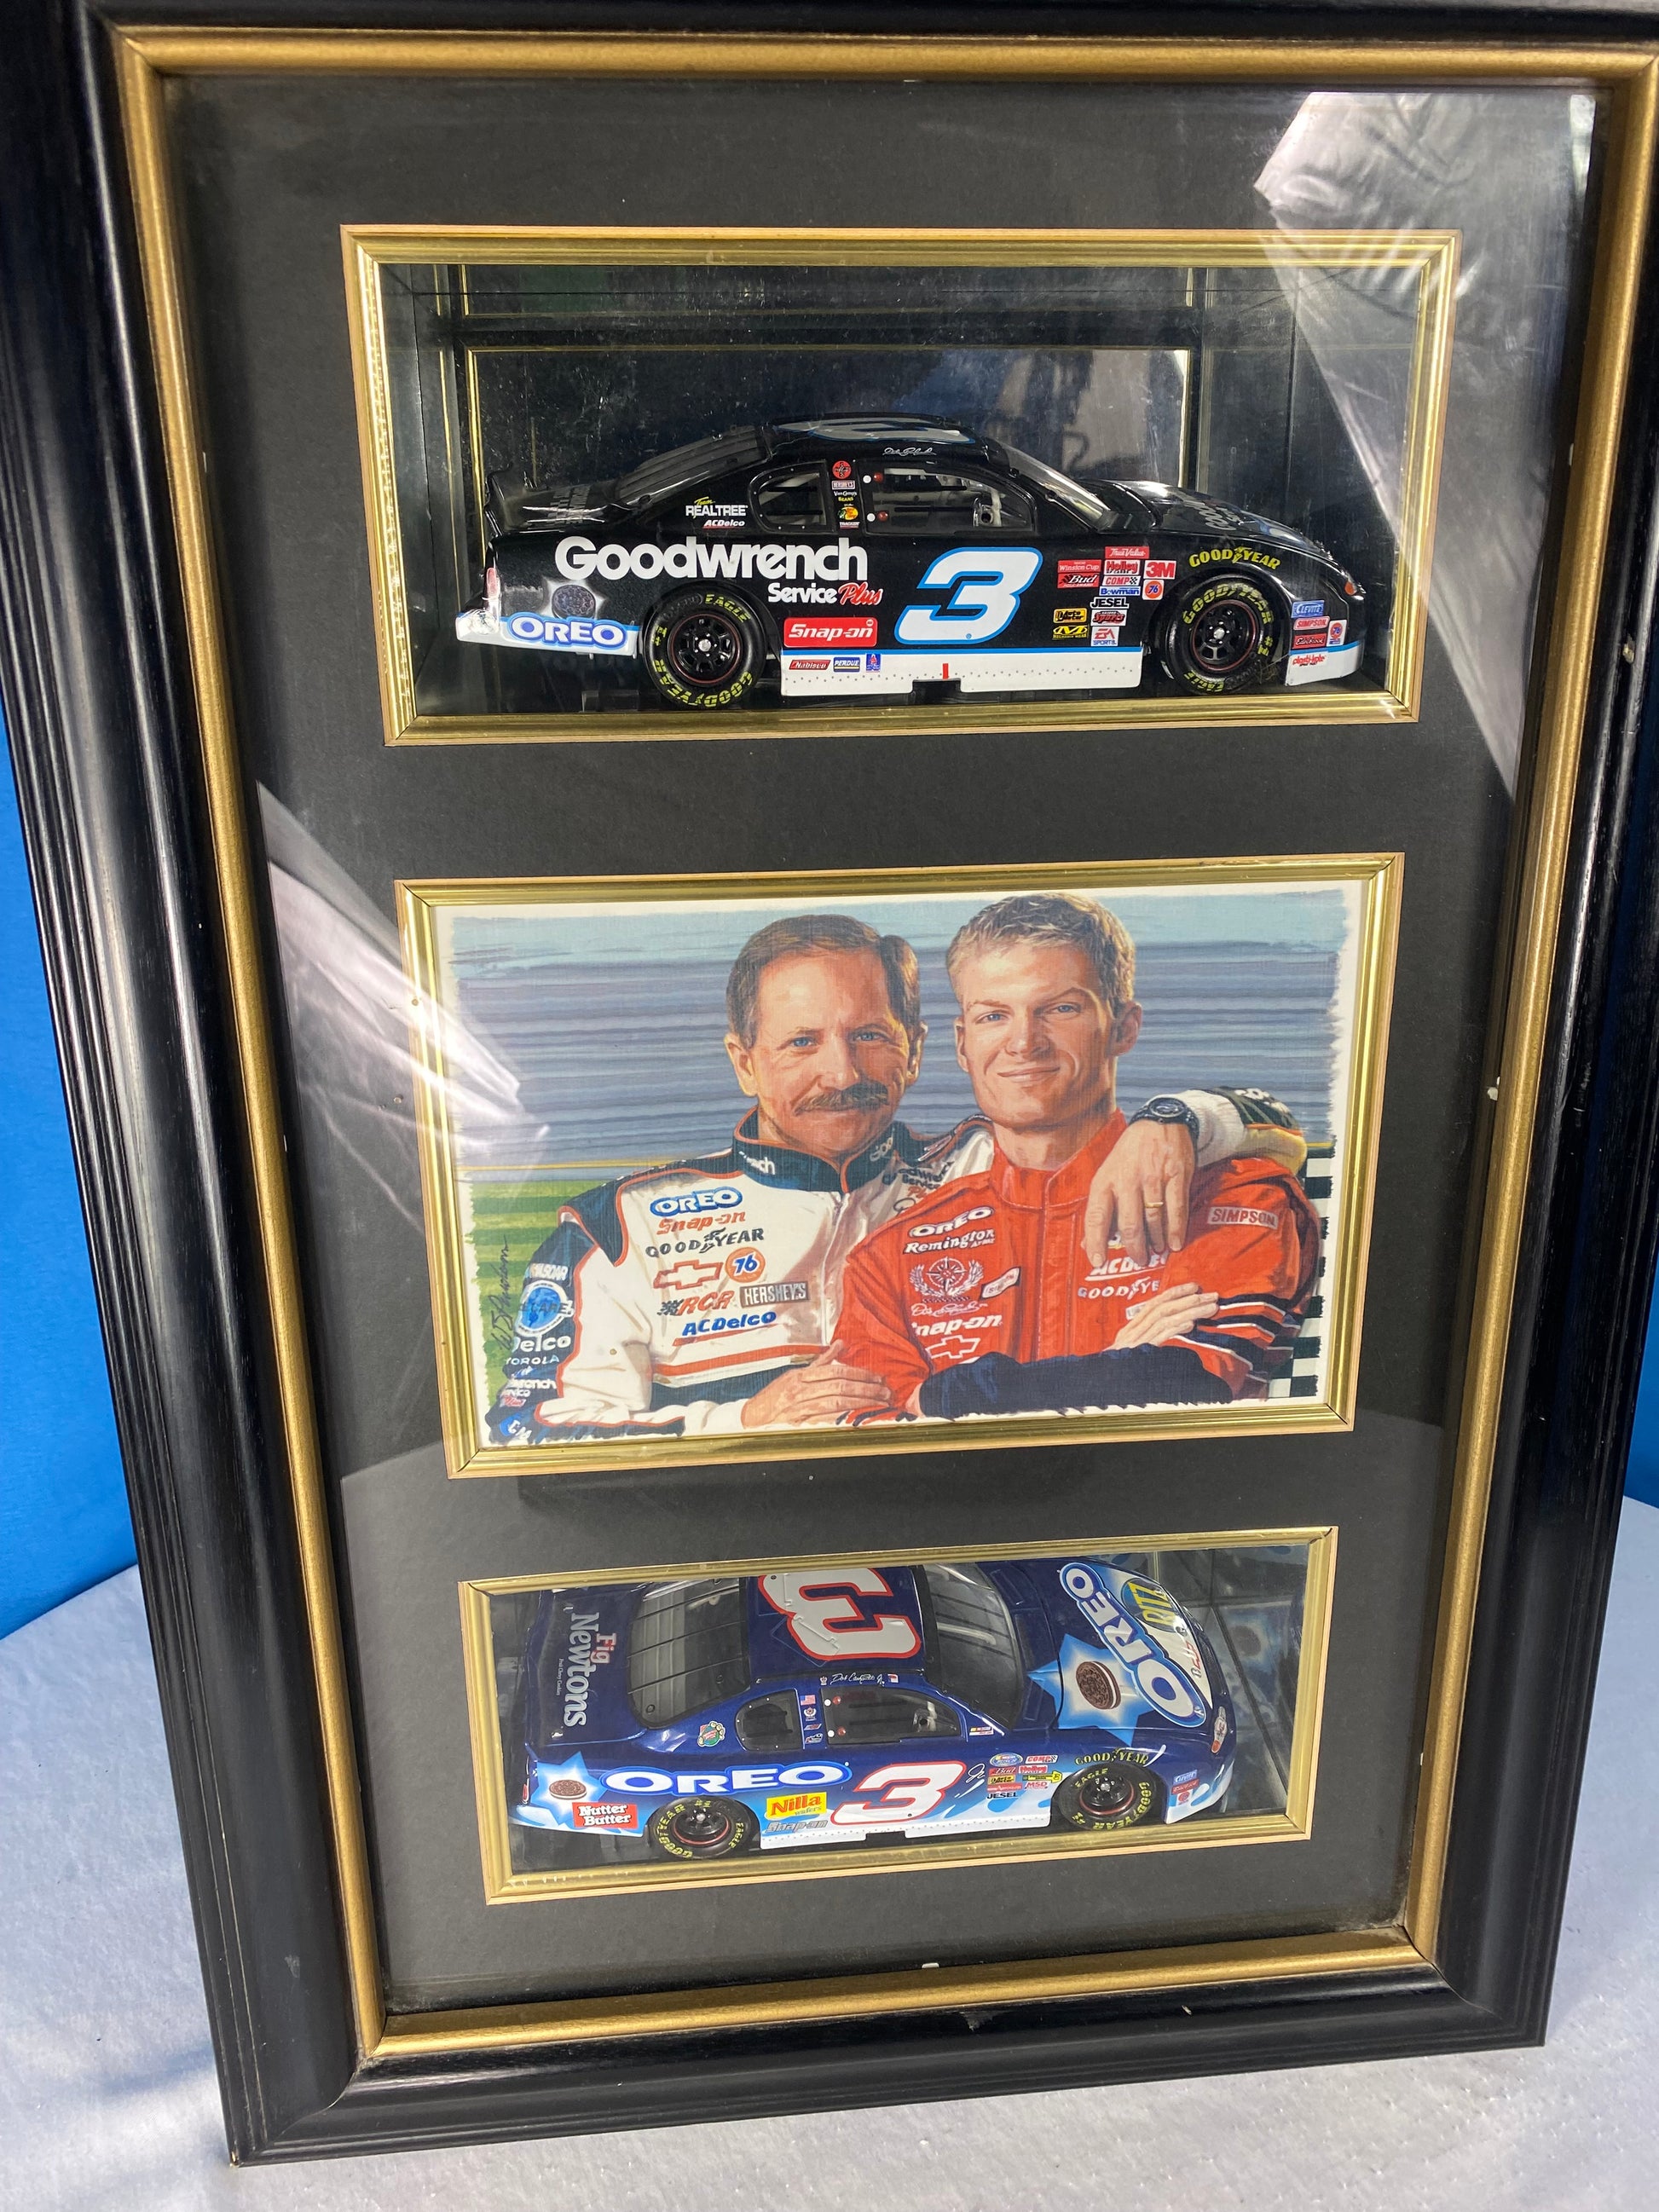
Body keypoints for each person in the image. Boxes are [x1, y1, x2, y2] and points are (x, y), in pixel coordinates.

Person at [487, 911, 1306, 1442]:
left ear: (916, 1048)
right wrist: (742, 1417)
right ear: (743, 1060)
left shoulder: (990, 1154)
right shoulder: (619, 1224)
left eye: (871, 1036)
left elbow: (1276, 1132)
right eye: (801, 1042)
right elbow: (525, 1433)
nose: (842, 1073)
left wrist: (1178, 1118)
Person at [835, 893, 1321, 1421]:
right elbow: (871, 1439)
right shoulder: (889, 1255)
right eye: (993, 1015)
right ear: (962, 1044)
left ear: (1123, 1028)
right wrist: (1112, 1365)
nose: (1024, 1043)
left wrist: (943, 1396)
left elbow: (1186, 1383)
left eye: (1061, 1009)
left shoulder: (1232, 1192)